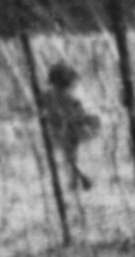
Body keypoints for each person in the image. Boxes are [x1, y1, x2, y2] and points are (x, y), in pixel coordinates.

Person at [36, 62, 99, 191]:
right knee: (69, 153)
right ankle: (77, 179)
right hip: (71, 127)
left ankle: (79, 178)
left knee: (69, 151)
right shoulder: (54, 95)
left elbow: (83, 113)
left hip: (81, 126)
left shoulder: (72, 95)